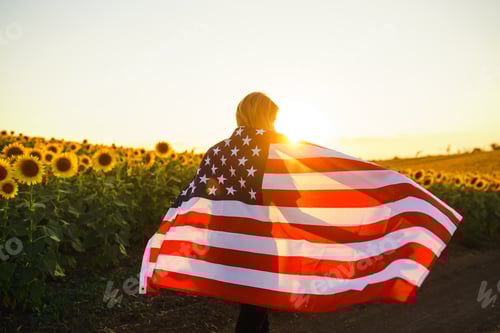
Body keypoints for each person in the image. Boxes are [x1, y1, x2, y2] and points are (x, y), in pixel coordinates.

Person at [232, 91, 278, 333]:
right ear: (264, 117)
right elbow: (290, 196)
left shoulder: (219, 151)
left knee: (255, 309)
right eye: (272, 119)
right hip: (258, 242)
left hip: (229, 240)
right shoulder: (274, 149)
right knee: (254, 313)